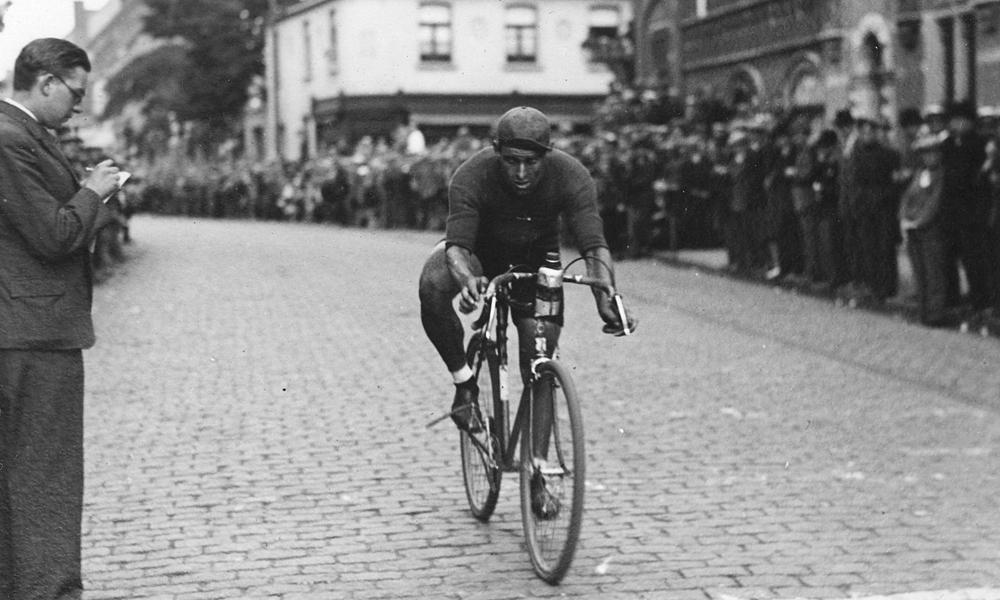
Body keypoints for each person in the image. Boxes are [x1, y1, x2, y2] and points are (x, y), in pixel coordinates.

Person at [418, 106, 635, 434]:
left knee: (538, 354)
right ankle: (464, 386)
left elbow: (594, 245)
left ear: (547, 155)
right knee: (432, 282)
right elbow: (458, 249)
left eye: (531, 162)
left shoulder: (571, 175)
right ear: (496, 152)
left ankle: (538, 467)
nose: (521, 173)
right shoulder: (471, 174)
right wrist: (467, 281)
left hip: (537, 259)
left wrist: (607, 296)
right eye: (511, 161)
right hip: (481, 253)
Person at [0, 38, 123, 600]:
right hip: (32, 333)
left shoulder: (23, 135)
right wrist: (94, 192)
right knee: (44, 475)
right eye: (75, 91)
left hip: (22, 328)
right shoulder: (10, 138)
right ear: (45, 82)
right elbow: (54, 235)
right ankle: (47, 591)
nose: (79, 104)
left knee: (20, 476)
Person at [899, 133, 949, 326]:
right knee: (919, 271)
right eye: (925, 153)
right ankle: (924, 311)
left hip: (930, 229)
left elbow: (934, 203)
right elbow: (907, 196)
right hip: (912, 228)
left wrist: (919, 221)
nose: (929, 157)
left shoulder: (941, 174)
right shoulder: (920, 173)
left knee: (933, 271)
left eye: (933, 153)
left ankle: (936, 314)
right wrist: (903, 217)